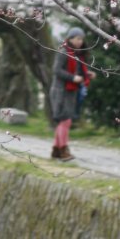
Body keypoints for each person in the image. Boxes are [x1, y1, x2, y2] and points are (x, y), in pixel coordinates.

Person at [50, 27, 95, 161]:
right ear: (70, 38)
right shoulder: (63, 52)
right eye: (78, 39)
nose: (80, 41)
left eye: (82, 39)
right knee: (65, 120)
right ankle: (63, 150)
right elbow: (56, 70)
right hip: (60, 91)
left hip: (70, 91)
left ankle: (57, 150)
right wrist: (72, 78)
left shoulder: (77, 54)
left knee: (64, 121)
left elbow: (78, 71)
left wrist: (87, 75)